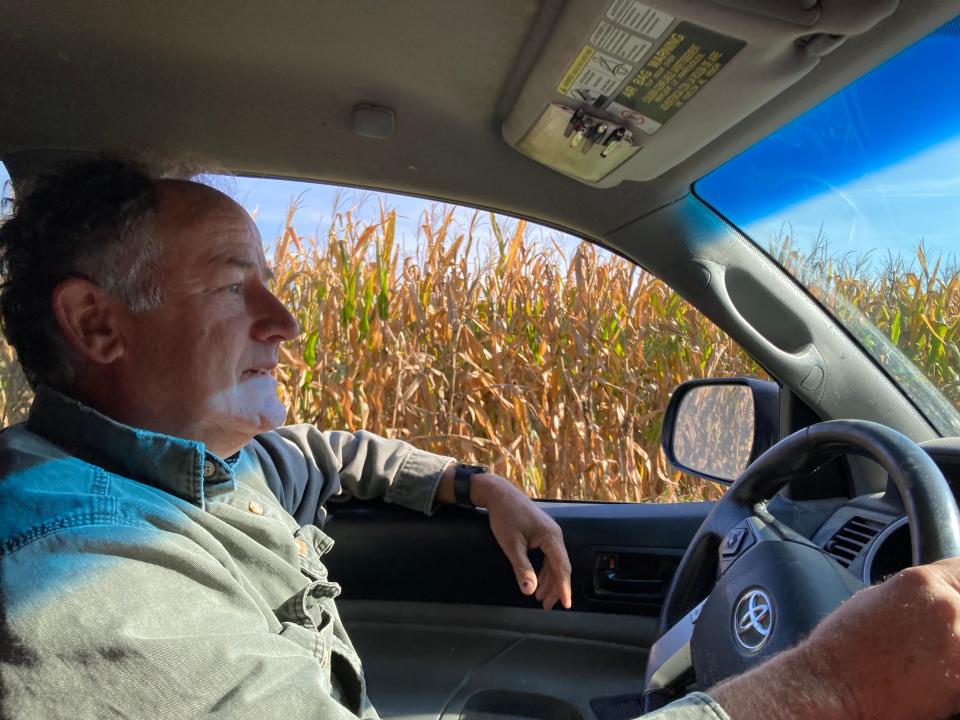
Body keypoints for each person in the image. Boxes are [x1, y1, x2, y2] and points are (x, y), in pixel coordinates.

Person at [0, 157, 959, 720]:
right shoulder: (80, 581)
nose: (284, 320)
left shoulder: (199, 465)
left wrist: (476, 484)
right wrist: (826, 685)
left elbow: (329, 454)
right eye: (231, 285)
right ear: (96, 326)